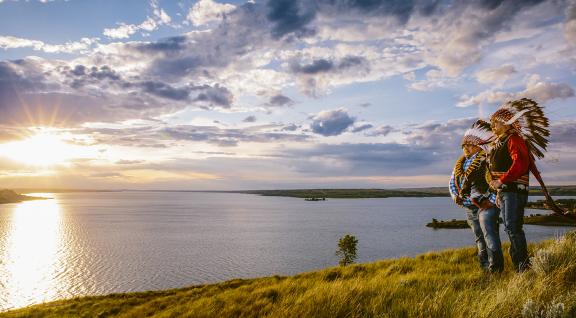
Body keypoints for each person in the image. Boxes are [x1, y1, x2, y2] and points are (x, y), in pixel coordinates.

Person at [488, 98, 550, 272]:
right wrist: (500, 191)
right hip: (508, 192)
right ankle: (521, 265)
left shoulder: (514, 139)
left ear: (507, 124)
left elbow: (520, 163)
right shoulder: (502, 141)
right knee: (511, 227)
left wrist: (501, 181)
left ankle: (523, 267)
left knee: (513, 227)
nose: (492, 126)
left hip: (514, 191)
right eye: (491, 123)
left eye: (495, 123)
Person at [449, 120, 503, 273]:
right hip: (469, 206)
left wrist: (492, 202)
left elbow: (495, 181)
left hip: (487, 205)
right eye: (463, 146)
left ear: (479, 144)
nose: (466, 148)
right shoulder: (459, 165)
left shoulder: (488, 159)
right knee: (479, 237)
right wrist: (456, 196)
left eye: (469, 145)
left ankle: (496, 270)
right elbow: (452, 182)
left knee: (490, 236)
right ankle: (485, 267)